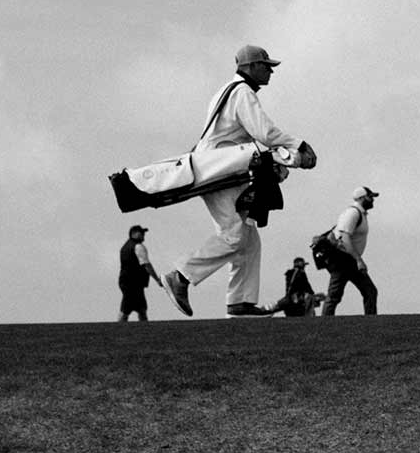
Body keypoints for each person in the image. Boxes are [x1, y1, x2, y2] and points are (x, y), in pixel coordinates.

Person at [166, 44, 316, 318]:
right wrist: (298, 145)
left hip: (216, 167)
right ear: (251, 66)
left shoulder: (227, 91)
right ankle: (181, 276)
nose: (270, 71)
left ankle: (240, 304)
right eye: (266, 66)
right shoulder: (242, 92)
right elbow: (264, 132)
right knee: (235, 234)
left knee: (248, 240)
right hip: (219, 171)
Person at [313, 186, 379, 316]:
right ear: (361, 198)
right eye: (370, 197)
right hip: (343, 259)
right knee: (335, 295)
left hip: (349, 259)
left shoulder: (359, 213)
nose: (372, 200)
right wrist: (358, 260)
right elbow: (344, 238)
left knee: (369, 291)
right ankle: (324, 323)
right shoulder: (353, 213)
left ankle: (371, 322)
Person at [117, 224, 162, 322]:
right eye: (141, 233)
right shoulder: (138, 246)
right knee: (126, 309)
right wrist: (157, 279)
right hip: (133, 283)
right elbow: (146, 265)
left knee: (141, 308)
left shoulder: (125, 247)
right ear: (133, 234)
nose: (143, 235)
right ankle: (118, 328)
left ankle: (144, 327)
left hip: (126, 281)